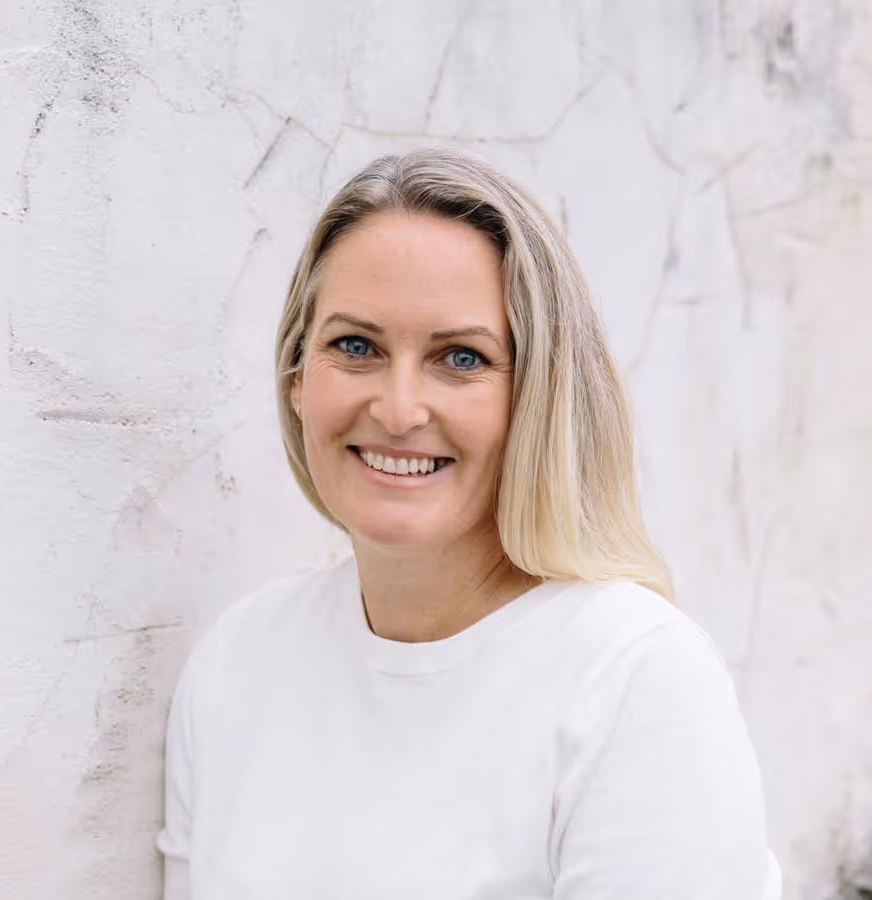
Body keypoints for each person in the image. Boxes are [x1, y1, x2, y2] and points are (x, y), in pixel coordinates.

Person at [156, 147, 782, 899]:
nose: (398, 410)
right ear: (296, 380)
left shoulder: (633, 679)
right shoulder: (238, 660)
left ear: (538, 396)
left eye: (460, 358)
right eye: (355, 346)